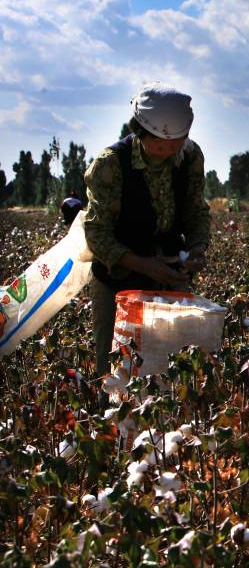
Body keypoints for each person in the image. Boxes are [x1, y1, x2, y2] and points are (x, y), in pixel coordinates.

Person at [83, 82, 211, 382]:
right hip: (117, 278)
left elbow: (195, 210)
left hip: (170, 272)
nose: (167, 151)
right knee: (114, 370)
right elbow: (97, 234)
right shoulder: (111, 164)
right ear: (140, 132)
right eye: (159, 144)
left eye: (175, 143)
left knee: (172, 367)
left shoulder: (190, 157)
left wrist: (197, 249)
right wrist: (143, 264)